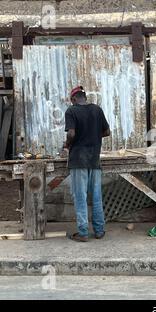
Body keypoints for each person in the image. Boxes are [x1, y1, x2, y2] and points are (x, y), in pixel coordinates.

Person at [64, 86, 110, 242]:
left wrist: (68, 143)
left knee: (80, 197)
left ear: (74, 99)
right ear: (84, 96)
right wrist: (93, 137)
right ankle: (99, 230)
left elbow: (71, 133)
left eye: (72, 100)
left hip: (78, 159)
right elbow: (107, 132)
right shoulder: (97, 110)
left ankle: (83, 233)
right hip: (94, 159)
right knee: (96, 197)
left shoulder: (71, 111)